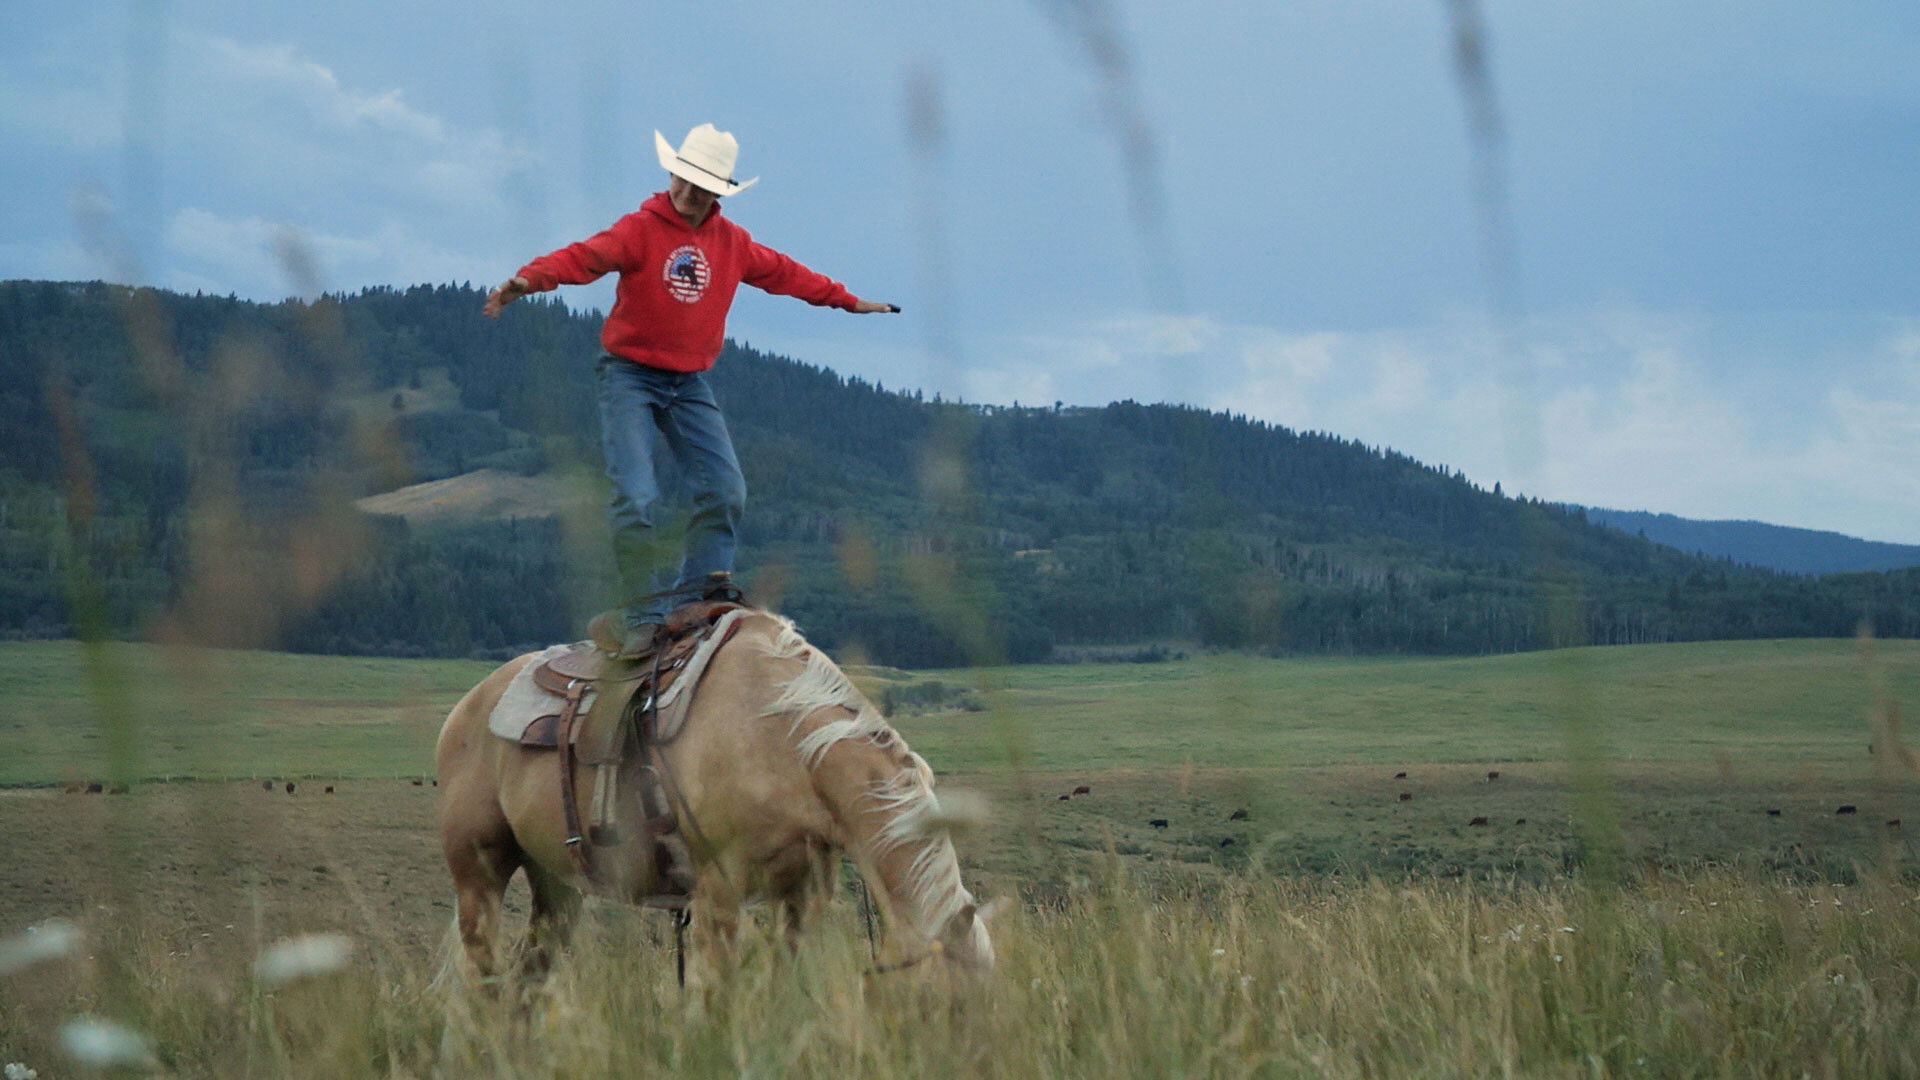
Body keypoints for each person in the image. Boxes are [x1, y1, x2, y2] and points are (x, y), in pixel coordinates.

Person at [483, 123, 897, 656]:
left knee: (725, 490)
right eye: (681, 179)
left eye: (700, 186)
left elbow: (786, 274)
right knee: (636, 494)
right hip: (629, 375)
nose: (686, 192)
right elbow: (584, 258)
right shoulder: (639, 230)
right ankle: (641, 614)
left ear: (717, 193)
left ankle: (699, 594)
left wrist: (848, 300)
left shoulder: (732, 244)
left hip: (688, 382)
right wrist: (529, 280)